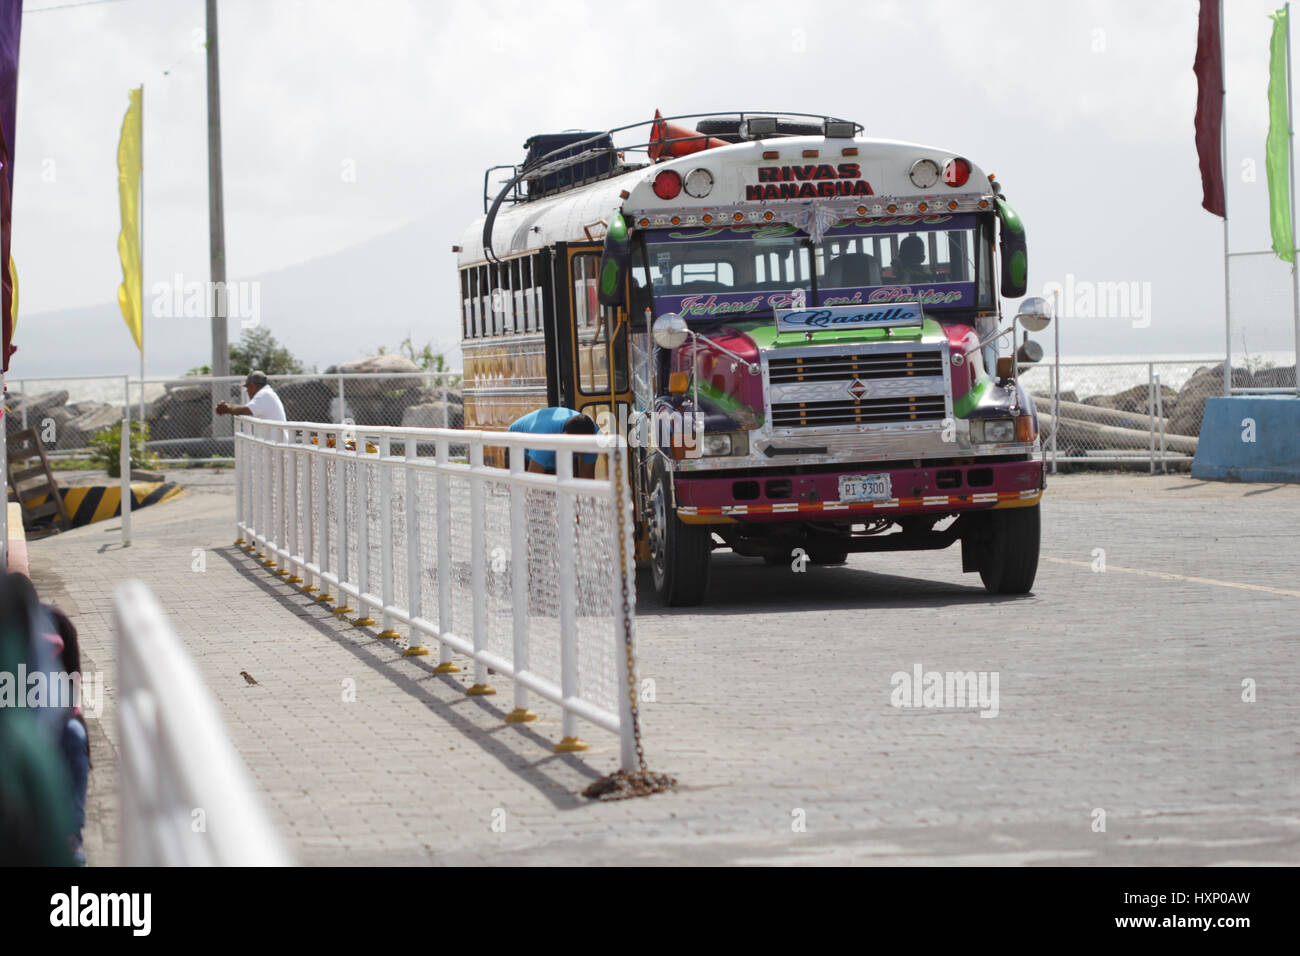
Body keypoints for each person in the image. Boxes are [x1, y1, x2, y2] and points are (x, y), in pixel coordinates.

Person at [507, 407, 598, 478]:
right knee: (522, 490)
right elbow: (533, 480)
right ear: (564, 435)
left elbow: (586, 477)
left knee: (562, 489)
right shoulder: (544, 437)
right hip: (519, 448)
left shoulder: (593, 437)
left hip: (551, 447)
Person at [216, 370, 289, 440]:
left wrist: (227, 408)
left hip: (276, 446)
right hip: (275, 443)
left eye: (248, 387)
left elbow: (245, 410)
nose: (247, 391)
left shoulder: (264, 395)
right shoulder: (267, 393)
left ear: (253, 386)